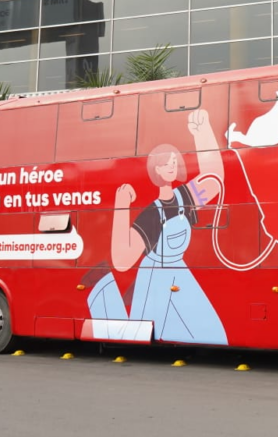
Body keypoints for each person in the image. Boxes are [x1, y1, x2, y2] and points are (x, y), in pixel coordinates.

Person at [85, 109, 228, 345]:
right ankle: (102, 293)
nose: (171, 165)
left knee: (214, 333)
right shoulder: (151, 214)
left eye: (174, 161)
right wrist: (121, 206)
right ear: (156, 170)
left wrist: (202, 132)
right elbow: (122, 260)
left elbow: (214, 178)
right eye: (165, 163)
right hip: (154, 276)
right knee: (132, 334)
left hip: (179, 271)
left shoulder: (184, 196)